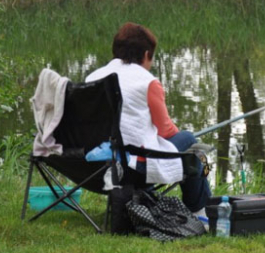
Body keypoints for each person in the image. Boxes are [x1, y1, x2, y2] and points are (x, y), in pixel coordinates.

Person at [85, 22, 212, 218]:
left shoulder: (93, 77)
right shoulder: (148, 82)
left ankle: (200, 208)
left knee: (192, 148)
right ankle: (200, 210)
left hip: (96, 165)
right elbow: (166, 131)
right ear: (146, 55)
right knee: (192, 143)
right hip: (133, 170)